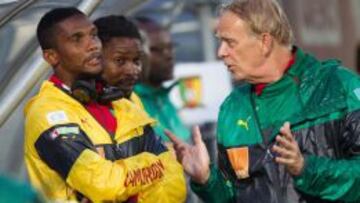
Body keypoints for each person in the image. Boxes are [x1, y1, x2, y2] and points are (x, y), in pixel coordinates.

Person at [166, 0, 360, 202]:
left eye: (230, 42)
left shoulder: (339, 86)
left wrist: (306, 169)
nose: (221, 52)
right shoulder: (233, 109)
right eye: (220, 42)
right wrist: (206, 180)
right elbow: (233, 197)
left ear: (264, 42)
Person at [24, 7, 186, 202]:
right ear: (51, 56)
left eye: (93, 35)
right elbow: (103, 184)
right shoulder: (47, 112)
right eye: (77, 38)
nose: (92, 45)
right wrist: (155, 164)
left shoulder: (123, 104)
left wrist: (123, 184)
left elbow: (175, 189)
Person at [134, 17, 191, 143]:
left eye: (170, 48)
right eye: (156, 50)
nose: (168, 55)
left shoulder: (164, 99)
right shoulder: (130, 105)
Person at [94, 15, 144, 108]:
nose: (132, 71)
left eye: (136, 60)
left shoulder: (135, 100)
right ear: (94, 58)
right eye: (120, 60)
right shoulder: (82, 107)